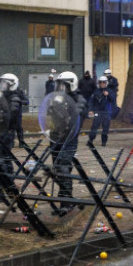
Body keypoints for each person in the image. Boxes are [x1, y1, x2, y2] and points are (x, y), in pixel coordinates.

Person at [49, 71, 88, 216]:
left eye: (63, 85)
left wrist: (63, 111)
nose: (61, 88)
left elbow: (76, 116)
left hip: (69, 139)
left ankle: (66, 203)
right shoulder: (58, 98)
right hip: (56, 137)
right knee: (57, 170)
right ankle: (66, 199)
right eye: (59, 85)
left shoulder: (79, 99)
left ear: (71, 84)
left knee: (63, 168)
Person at [0, 73, 28, 176]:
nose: (2, 86)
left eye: (4, 84)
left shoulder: (14, 98)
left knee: (3, 158)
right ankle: (5, 180)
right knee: (1, 157)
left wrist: (0, 113)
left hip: (7, 132)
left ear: (11, 85)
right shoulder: (2, 96)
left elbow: (10, 116)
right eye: (1, 83)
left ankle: (7, 179)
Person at [88, 76, 116, 147]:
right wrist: (91, 110)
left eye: (104, 82)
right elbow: (91, 101)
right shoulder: (96, 91)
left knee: (105, 128)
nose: (102, 84)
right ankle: (90, 140)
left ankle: (104, 142)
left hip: (106, 112)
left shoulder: (110, 91)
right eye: (101, 82)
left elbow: (113, 100)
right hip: (98, 111)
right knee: (94, 127)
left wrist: (108, 95)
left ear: (106, 83)